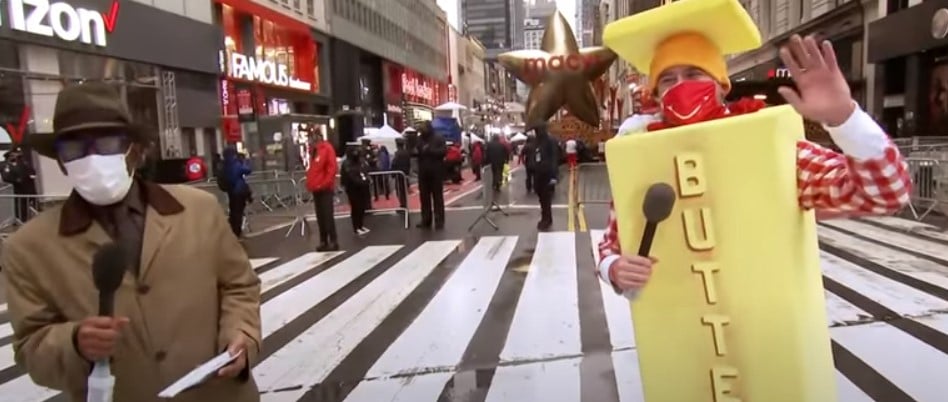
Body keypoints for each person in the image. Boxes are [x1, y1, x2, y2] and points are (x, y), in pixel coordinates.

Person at [598, 30, 912, 297]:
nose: (681, 86)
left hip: (765, 330)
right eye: (668, 79)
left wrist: (844, 118)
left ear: (722, 85)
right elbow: (613, 242)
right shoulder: (639, 153)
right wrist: (613, 268)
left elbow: (887, 193)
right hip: (684, 336)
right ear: (656, 93)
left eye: (694, 74)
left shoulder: (766, 143)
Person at [4, 82, 261, 401]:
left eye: (107, 142)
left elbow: (240, 285)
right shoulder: (27, 248)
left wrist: (241, 335)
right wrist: (74, 343)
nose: (91, 158)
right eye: (74, 148)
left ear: (135, 150)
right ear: (60, 161)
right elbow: (31, 346)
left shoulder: (200, 210)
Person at [306, 134, 339, 251]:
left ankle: (333, 240)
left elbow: (331, 168)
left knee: (327, 215)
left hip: (325, 188)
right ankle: (323, 240)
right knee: (320, 216)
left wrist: (325, 183)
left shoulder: (326, 149)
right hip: (317, 188)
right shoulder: (314, 152)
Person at [415, 121, 446, 229]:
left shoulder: (438, 138)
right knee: (424, 197)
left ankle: (439, 220)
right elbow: (415, 151)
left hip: (436, 171)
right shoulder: (419, 139)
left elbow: (443, 152)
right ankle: (426, 219)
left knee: (437, 197)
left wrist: (430, 150)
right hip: (423, 172)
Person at [531, 124, 559, 230]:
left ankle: (546, 219)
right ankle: (546, 218)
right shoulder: (537, 141)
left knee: (546, 199)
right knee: (542, 199)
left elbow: (554, 158)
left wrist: (553, 176)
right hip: (539, 173)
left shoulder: (549, 141)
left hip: (547, 174)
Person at [1, 147, 38, 223]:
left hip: (25, 188)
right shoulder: (5, 165)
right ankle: (19, 220)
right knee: (18, 206)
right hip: (14, 189)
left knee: (25, 205)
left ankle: (25, 219)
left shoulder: (23, 163)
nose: (16, 156)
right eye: (14, 155)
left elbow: (30, 171)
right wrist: (16, 180)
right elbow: (6, 176)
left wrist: (31, 175)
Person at [341, 146, 372, 235]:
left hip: (361, 187)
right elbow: (350, 176)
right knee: (356, 207)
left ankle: (361, 225)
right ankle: (356, 227)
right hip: (352, 188)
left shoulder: (360, 161)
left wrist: (366, 180)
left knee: (362, 207)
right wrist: (362, 181)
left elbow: (365, 169)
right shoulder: (347, 163)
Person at [222, 147, 252, 237]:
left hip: (230, 190)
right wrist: (245, 161)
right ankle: (236, 232)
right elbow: (247, 170)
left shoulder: (225, 164)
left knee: (233, 211)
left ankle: (232, 230)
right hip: (239, 191)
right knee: (238, 212)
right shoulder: (235, 164)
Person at [391, 139, 412, 210]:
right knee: (404, 189)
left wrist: (393, 173)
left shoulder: (397, 153)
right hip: (405, 173)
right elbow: (409, 163)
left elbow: (394, 163)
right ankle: (404, 203)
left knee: (399, 190)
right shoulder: (406, 153)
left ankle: (402, 204)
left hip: (399, 174)